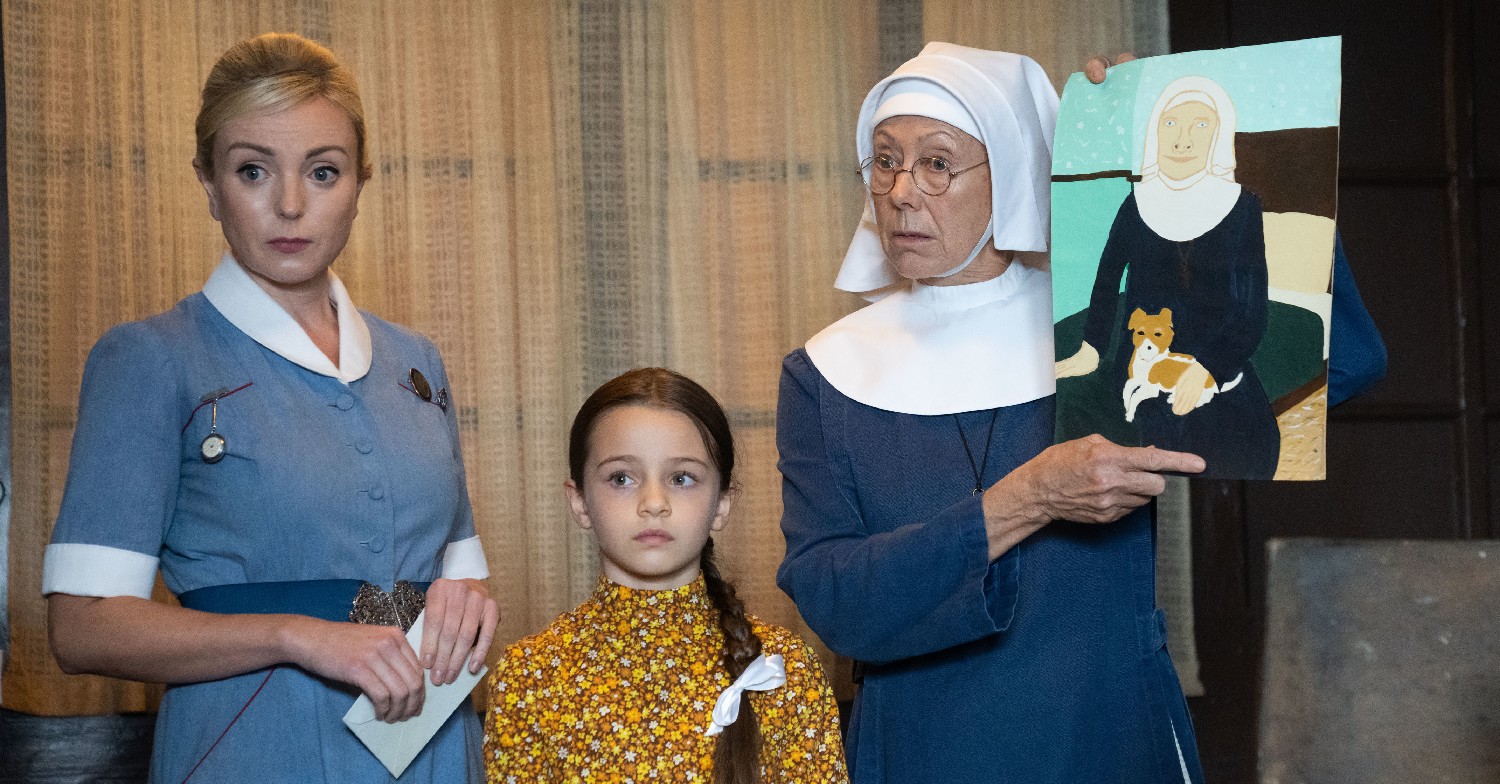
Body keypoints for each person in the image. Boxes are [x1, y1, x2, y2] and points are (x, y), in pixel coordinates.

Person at [776, 43, 1385, 784]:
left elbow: (1345, 360)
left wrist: (1157, 138)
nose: (902, 190)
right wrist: (1023, 501)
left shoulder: (1104, 335)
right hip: (926, 748)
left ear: (1012, 167)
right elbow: (839, 603)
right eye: (883, 160)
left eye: (937, 163)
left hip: (1109, 735)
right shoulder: (825, 374)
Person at [44, 33, 498, 783]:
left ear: (361, 182)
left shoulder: (417, 362)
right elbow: (81, 628)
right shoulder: (152, 359)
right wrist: (297, 635)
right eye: (253, 169)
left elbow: (461, 579)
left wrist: (468, 609)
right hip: (254, 746)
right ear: (209, 182)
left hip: (429, 746)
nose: (290, 204)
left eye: (323, 171)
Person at [483, 368, 847, 783]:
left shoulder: (787, 670)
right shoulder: (530, 675)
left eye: (682, 478)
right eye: (621, 478)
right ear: (580, 501)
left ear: (723, 502)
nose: (654, 502)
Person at [1056, 75, 1281, 478]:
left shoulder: (1242, 206)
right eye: (1170, 124)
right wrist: (1091, 347)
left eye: (1200, 125)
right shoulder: (1136, 203)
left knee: (1239, 444)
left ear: (1218, 135)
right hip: (1140, 363)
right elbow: (1107, 280)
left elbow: (1252, 310)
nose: (1182, 141)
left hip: (1217, 363)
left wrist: (1207, 367)